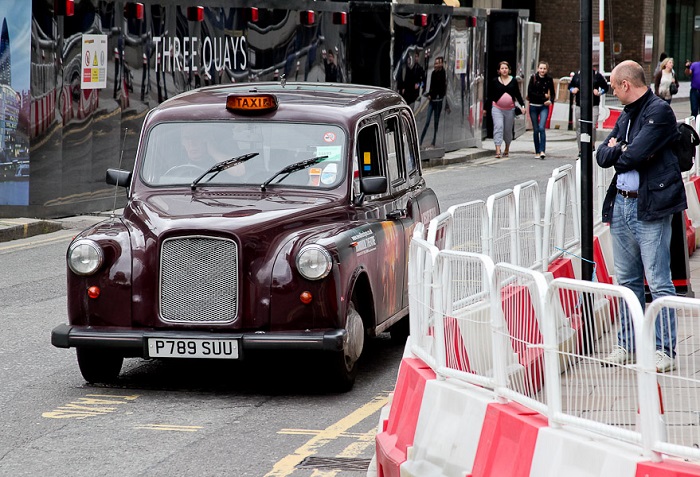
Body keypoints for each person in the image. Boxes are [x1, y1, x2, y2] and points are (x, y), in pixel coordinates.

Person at [596, 60, 686, 373]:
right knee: (627, 280)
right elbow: (601, 156)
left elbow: (629, 156)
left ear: (625, 85)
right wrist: (621, 148)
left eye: (613, 86)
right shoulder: (627, 114)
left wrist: (620, 148)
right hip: (621, 205)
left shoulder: (659, 111)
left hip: (650, 205)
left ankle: (665, 350)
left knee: (659, 280)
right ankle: (627, 345)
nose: (612, 91)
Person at [487, 61, 525, 158]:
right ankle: (498, 150)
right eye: (502, 68)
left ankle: (507, 147)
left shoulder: (513, 81)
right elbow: (490, 96)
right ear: (499, 70)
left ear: (509, 70)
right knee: (498, 127)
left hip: (509, 109)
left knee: (507, 130)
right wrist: (485, 109)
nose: (504, 70)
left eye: (506, 68)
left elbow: (518, 94)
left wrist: (522, 106)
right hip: (497, 108)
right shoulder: (495, 81)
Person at [569, 67, 609, 156]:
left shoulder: (596, 75)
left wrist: (599, 92)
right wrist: (573, 90)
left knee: (592, 126)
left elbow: (605, 87)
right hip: (580, 104)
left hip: (593, 104)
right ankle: (580, 149)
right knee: (579, 127)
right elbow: (570, 86)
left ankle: (592, 145)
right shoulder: (578, 75)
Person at [527, 61, 556, 159]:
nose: (542, 70)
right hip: (533, 106)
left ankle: (542, 150)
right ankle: (537, 151)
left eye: (544, 68)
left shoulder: (549, 79)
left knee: (541, 128)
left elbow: (552, 93)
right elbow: (530, 93)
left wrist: (550, 101)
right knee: (536, 130)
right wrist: (544, 97)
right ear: (538, 69)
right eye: (541, 68)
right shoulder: (533, 78)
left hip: (544, 107)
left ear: (547, 70)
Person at [420, 56, 448, 148]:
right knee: (427, 121)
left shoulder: (443, 73)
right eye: (435, 63)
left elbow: (441, 88)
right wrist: (429, 94)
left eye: (437, 63)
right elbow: (432, 87)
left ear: (441, 64)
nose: (435, 65)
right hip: (432, 100)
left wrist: (434, 94)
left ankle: (434, 141)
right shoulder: (433, 73)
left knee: (436, 122)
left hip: (438, 101)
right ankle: (421, 140)